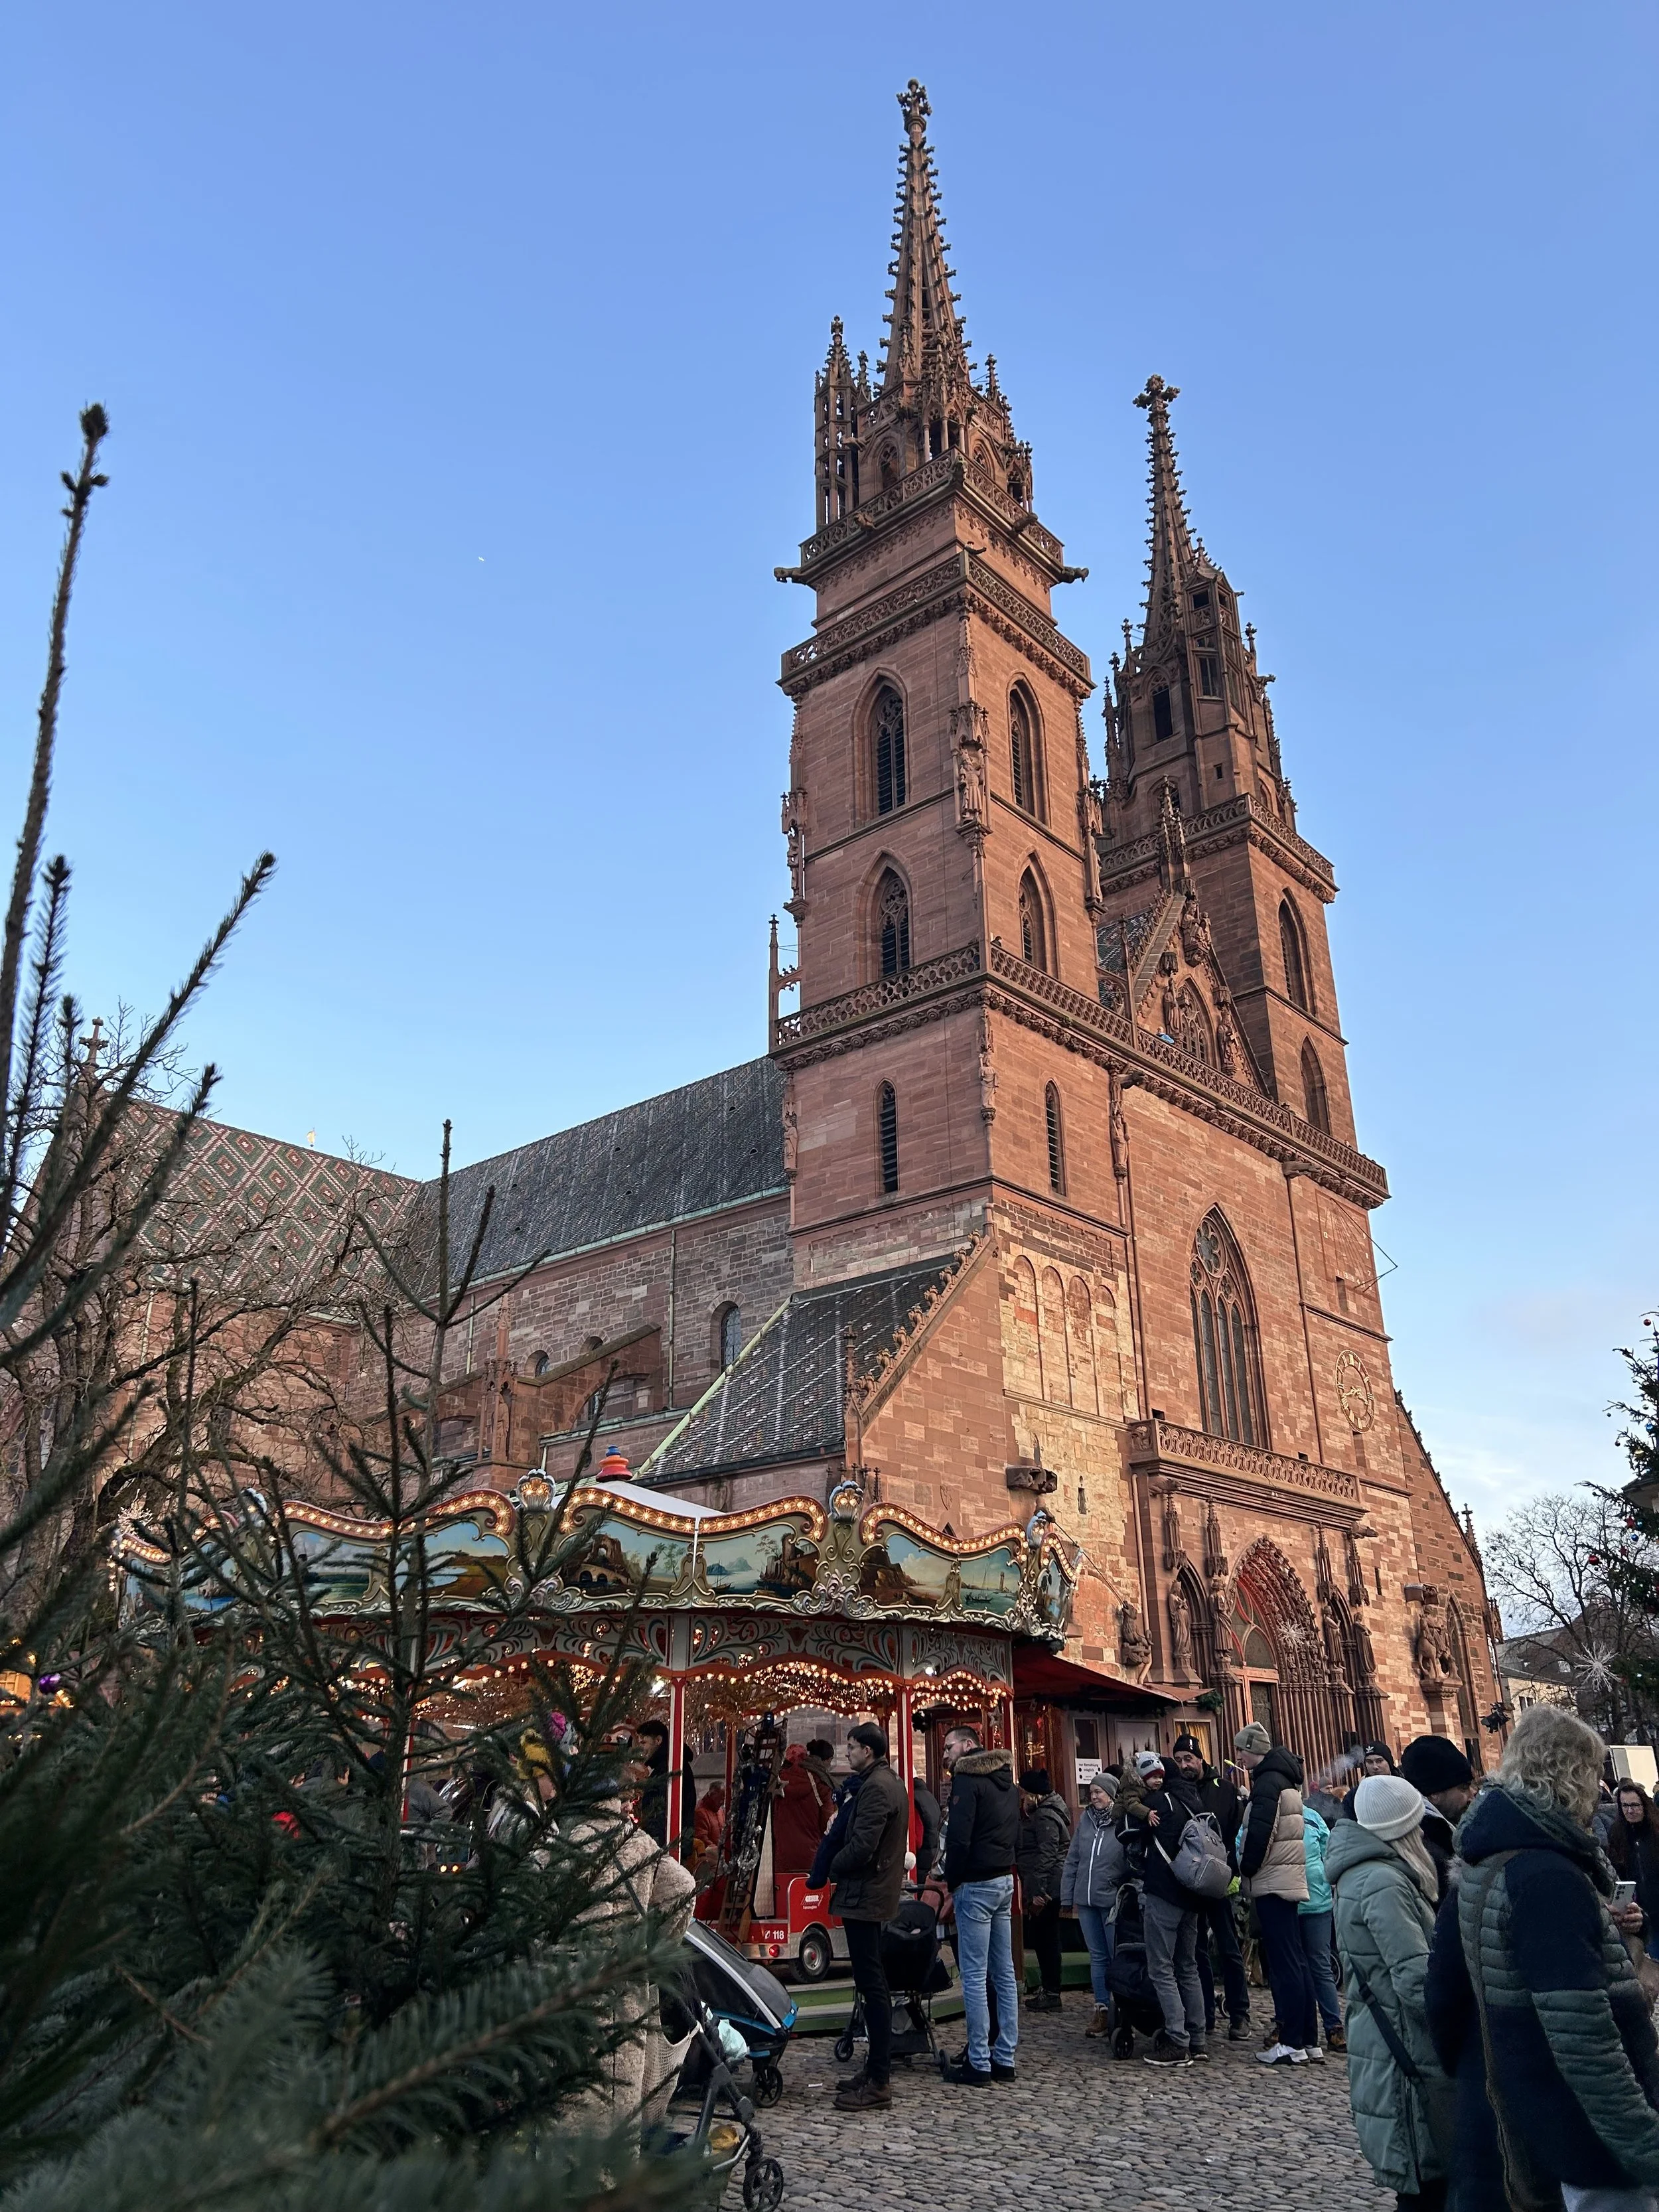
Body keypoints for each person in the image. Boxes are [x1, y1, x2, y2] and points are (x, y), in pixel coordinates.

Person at [1427, 1705, 1659, 2212]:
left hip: (1509, 2108)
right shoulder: (1546, 1874)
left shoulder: (1484, 1860)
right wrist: (1647, 2146)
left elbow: (1443, 1994)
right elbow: (1585, 2042)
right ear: (1572, 1774)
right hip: (1579, 2137)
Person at [1325, 1775, 1453, 2212]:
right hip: (1403, 2047)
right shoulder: (1383, 1880)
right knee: (1425, 2186)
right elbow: (1415, 1981)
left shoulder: (1367, 1872)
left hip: (1387, 2043)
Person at [828, 1722, 909, 2112]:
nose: (848, 1752)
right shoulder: (886, 1782)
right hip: (871, 1892)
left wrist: (831, 1864)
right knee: (870, 1981)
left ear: (869, 1751)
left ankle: (879, 2078)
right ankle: (875, 2069)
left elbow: (863, 1846)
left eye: (852, 1746)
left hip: (866, 1894)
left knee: (872, 1983)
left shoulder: (877, 1788)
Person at [940, 1724, 1021, 2086]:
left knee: (974, 1976)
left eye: (949, 1747)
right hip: (1004, 1878)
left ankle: (979, 2061)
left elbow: (958, 1839)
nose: (946, 1755)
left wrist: (954, 1880)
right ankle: (1005, 2056)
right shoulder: (1007, 1783)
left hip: (975, 1882)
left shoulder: (967, 1780)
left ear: (968, 1745)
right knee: (1004, 1974)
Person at [1234, 1721, 1319, 2065]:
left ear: (1253, 1749)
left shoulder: (1268, 1782)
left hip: (1273, 1881)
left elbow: (1261, 1832)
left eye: (1241, 1750)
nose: (1238, 1757)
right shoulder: (1284, 1778)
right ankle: (1309, 2040)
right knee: (1296, 1960)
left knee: (1285, 1965)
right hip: (1286, 1879)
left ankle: (1292, 2042)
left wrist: (1246, 1868)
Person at [1169, 1732, 1251, 2040]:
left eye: (1188, 1759)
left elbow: (1237, 1833)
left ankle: (1240, 2014)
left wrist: (1233, 1873)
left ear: (1200, 1759)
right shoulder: (1175, 1791)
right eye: (1178, 1760)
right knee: (1196, 1951)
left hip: (1219, 1880)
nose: (1184, 1765)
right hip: (1190, 1881)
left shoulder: (1224, 1790)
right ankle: (1204, 2014)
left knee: (1229, 1948)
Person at [1132, 1749, 1209, 2067]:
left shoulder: (1160, 1802)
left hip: (1164, 1892)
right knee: (1187, 1966)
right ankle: (1199, 2039)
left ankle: (1177, 2041)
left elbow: (1128, 1831)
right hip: (1192, 1892)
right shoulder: (1194, 1799)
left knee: (1162, 1968)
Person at [1061, 1771, 1123, 2036]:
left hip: (1111, 1901)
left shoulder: (1121, 1821)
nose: (1094, 1797)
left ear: (1111, 1795)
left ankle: (1122, 2008)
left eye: (1099, 1792)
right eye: (1092, 1793)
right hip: (1086, 1900)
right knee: (1097, 1957)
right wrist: (1067, 1897)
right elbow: (1073, 1859)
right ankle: (1102, 2009)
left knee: (1115, 1955)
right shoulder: (1086, 1821)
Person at [1017, 1767, 1071, 2011]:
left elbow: (1047, 1855)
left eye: (1024, 1793)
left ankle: (1051, 1992)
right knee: (1045, 1937)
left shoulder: (1045, 1817)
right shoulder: (1045, 1812)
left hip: (1046, 1888)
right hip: (1046, 1884)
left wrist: (1038, 1891)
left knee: (1045, 1938)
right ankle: (1050, 1989)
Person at [1398, 1737, 1475, 1904]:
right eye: (1464, 1788)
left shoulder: (1441, 1832)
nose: (1472, 1795)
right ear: (1434, 1794)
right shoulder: (1429, 1847)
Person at [1299, 1797, 1344, 2051]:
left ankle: (1330, 2026)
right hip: (1302, 1900)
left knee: (1314, 1965)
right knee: (1311, 1966)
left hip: (1310, 1901)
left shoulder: (1313, 1818)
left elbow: (1329, 1854)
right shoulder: (1313, 1818)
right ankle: (1324, 2027)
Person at [1609, 1779, 1659, 1961]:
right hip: (1643, 1912)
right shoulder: (1617, 1834)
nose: (1630, 1810)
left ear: (1644, 1805)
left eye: (1635, 1805)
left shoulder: (1656, 1831)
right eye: (1625, 1806)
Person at [770, 1743, 835, 1876]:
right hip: (811, 1855)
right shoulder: (821, 1781)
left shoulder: (777, 1781)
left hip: (780, 1855)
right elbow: (827, 1823)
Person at [1341, 1741, 1398, 1820]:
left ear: (1389, 1762)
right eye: (1370, 1762)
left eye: (1379, 1761)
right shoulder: (1355, 1795)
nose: (1375, 1767)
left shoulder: (1405, 1786)